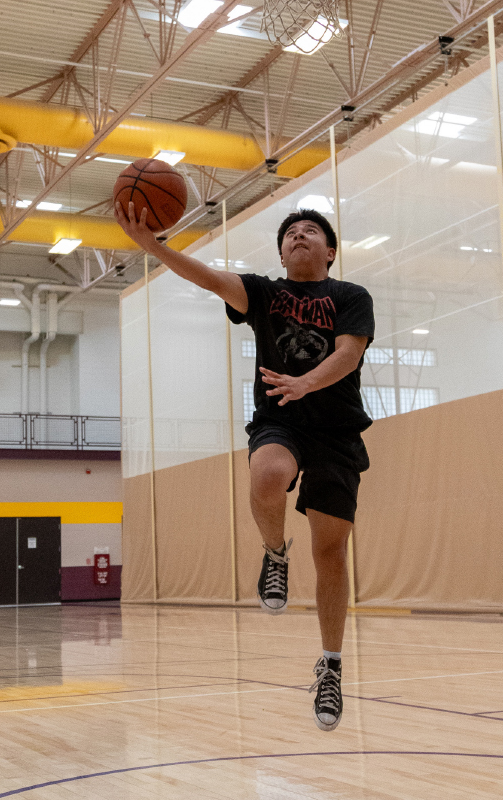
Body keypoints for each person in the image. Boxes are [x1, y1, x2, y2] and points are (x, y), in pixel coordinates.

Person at [116, 200, 374, 732]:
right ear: (281, 252)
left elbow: (348, 352)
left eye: (311, 231)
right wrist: (151, 245)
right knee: (268, 474)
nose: (300, 236)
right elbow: (208, 278)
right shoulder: (263, 292)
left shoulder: (350, 296)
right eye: (291, 233)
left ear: (330, 251)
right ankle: (274, 552)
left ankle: (330, 665)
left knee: (331, 553)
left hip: (337, 432)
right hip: (280, 418)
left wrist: (306, 381)